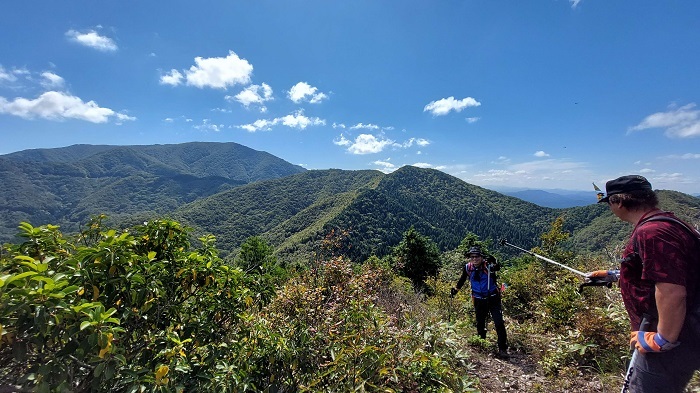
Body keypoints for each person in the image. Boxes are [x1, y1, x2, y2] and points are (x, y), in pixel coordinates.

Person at [586, 174, 700, 392]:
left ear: (618, 202)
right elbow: (668, 271)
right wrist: (614, 274)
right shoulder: (671, 223)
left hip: (667, 340)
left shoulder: (652, 232)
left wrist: (663, 339)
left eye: (610, 202)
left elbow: (671, 290)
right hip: (686, 332)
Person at [451, 246, 508, 358]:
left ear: (481, 257)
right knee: (480, 323)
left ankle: (502, 349)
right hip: (478, 299)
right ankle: (481, 344)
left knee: (499, 323)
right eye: (472, 257)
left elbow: (497, 268)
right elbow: (462, 279)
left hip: (492, 298)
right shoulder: (468, 268)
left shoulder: (487, 266)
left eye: (477, 256)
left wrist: (495, 261)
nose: (475, 259)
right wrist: (455, 290)